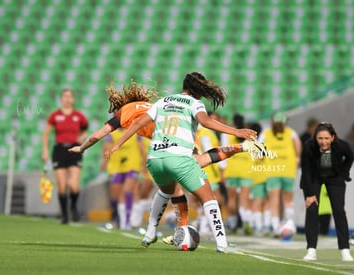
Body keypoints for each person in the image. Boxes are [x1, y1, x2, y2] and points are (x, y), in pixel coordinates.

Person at [68, 80, 258, 231]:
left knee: (193, 168)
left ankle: (240, 148)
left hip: (172, 144)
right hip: (177, 135)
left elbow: (98, 135)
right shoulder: (151, 104)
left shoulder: (124, 113)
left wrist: (82, 148)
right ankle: (180, 228)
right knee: (181, 182)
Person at [104, 72, 256, 252]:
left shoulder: (164, 101)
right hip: (179, 158)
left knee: (166, 191)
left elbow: (137, 124)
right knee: (208, 198)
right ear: (197, 89)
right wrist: (237, 133)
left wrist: (117, 145)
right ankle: (222, 243)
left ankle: (150, 232)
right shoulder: (195, 103)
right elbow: (206, 122)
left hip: (156, 159)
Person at [300, 122, 354, 261]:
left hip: (334, 178)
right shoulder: (308, 146)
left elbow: (350, 157)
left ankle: (345, 250)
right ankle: (311, 250)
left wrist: (344, 173)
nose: (323, 142)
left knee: (339, 211)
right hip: (314, 178)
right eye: (320, 138)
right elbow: (306, 170)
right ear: (315, 138)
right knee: (312, 209)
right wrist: (309, 194)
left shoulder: (341, 145)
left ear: (332, 138)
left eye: (326, 138)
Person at [41, 88, 88, 224]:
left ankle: (73, 207)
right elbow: (46, 134)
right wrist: (44, 150)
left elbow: (85, 130)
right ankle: (64, 215)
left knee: (73, 185)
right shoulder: (55, 115)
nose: (67, 99)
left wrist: (82, 137)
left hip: (74, 149)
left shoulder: (79, 116)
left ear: (73, 99)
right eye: (65, 96)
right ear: (61, 99)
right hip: (59, 150)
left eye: (69, 96)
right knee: (62, 186)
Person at [259, 111, 301, 236]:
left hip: (272, 170)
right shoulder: (291, 132)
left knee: (274, 199)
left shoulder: (265, 133)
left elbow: (259, 151)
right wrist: (297, 159)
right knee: (287, 199)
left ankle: (276, 227)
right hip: (288, 169)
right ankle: (289, 224)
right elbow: (298, 146)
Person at [101, 128, 145, 230]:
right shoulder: (112, 134)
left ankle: (127, 221)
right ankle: (118, 219)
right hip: (116, 167)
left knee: (127, 191)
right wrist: (104, 161)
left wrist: (143, 165)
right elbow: (106, 148)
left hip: (132, 166)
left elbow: (142, 149)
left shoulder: (134, 132)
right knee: (115, 196)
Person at [221, 113, 253, 234]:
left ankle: (233, 223)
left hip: (231, 170)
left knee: (231, 199)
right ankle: (246, 222)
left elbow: (223, 151)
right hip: (246, 171)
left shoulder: (227, 134)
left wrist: (222, 171)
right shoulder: (249, 134)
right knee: (244, 199)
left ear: (233, 123)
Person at [299, 117, 332, 236]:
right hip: (311, 181)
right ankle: (312, 235)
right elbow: (305, 166)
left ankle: (323, 231)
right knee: (312, 209)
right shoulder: (307, 143)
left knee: (325, 207)